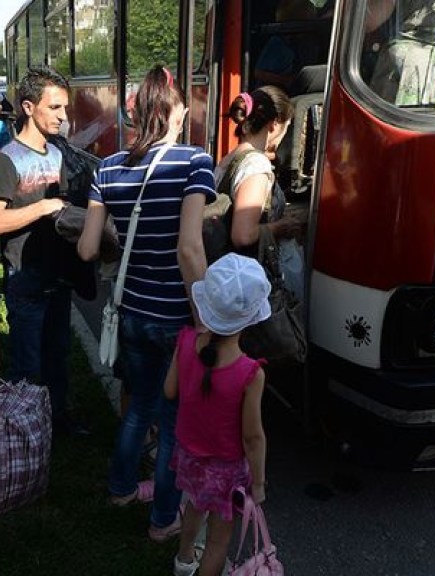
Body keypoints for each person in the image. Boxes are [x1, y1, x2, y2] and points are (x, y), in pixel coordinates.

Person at [77, 65, 216, 542]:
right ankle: (162, 522)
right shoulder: (193, 163)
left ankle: (119, 489)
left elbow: (89, 249)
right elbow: (190, 249)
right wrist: (205, 322)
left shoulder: (108, 168)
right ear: (173, 111)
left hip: (131, 314)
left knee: (138, 408)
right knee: (175, 425)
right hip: (176, 319)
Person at [0, 65, 92, 436]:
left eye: (65, 108)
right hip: (25, 279)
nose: (64, 116)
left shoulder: (59, 154)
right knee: (27, 365)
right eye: (55, 108)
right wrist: (42, 208)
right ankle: (21, 435)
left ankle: (57, 419)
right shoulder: (7, 158)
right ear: (29, 107)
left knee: (58, 356)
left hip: (57, 275)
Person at [164, 253, 269, 576]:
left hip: (189, 454)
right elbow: (252, 438)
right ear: (251, 317)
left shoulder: (185, 341)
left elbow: (170, 391)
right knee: (219, 540)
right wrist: (259, 483)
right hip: (225, 469)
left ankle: (183, 561)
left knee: (194, 505)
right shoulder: (250, 373)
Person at [217, 87, 306, 258]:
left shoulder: (230, 158)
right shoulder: (256, 165)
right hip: (246, 274)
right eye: (286, 127)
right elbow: (243, 235)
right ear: (274, 125)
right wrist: (281, 227)